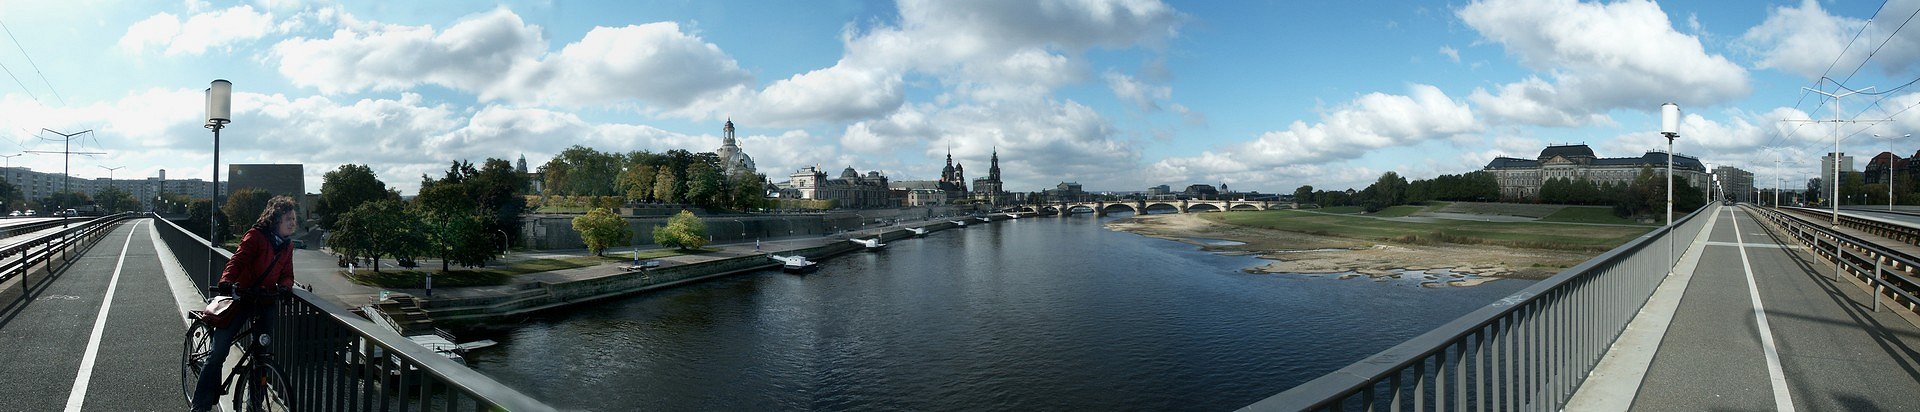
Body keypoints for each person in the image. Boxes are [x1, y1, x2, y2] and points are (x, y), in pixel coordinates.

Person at [191, 196, 299, 412]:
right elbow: (237, 261)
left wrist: (285, 287)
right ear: (276, 219)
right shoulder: (256, 236)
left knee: (261, 356)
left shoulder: (287, 246)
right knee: (218, 353)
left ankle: (253, 405)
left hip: (264, 301)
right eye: (288, 218)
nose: (293, 223)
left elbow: (287, 274)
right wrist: (226, 281)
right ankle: (200, 405)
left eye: (294, 219)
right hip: (241, 298)